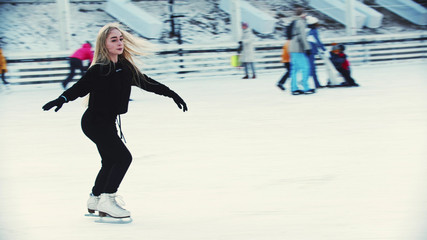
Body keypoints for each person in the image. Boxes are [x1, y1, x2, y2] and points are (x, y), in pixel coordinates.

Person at [42, 23, 188, 219]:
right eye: (114, 39)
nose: (119, 43)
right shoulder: (99, 70)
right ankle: (108, 199)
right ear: (104, 44)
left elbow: (146, 82)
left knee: (110, 160)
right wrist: (62, 99)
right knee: (123, 158)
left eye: (120, 39)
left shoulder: (125, 67)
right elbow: (79, 88)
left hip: (107, 122)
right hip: (94, 122)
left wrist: (171, 94)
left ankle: (95, 198)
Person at [289, 8, 314, 95]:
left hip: (292, 47)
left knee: (294, 69)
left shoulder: (294, 21)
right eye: (305, 14)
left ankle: (294, 88)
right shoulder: (300, 22)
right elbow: (303, 36)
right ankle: (305, 87)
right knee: (305, 68)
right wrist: (307, 48)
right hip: (299, 48)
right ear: (302, 14)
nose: (306, 15)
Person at [306, 16, 326, 89]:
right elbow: (318, 41)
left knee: (311, 68)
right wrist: (324, 49)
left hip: (310, 52)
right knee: (311, 69)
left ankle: (316, 84)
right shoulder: (313, 31)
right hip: (310, 52)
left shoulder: (309, 31)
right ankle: (310, 84)